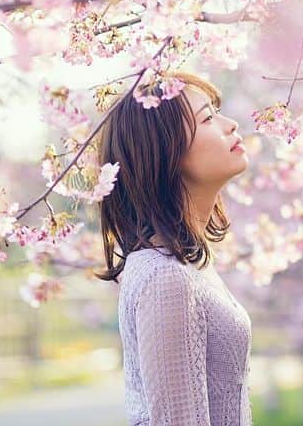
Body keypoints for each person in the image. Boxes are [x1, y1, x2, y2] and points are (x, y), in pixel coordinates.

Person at [94, 70, 252, 426]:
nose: (230, 124)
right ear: (166, 152)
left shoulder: (184, 267)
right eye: (208, 118)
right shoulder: (166, 279)